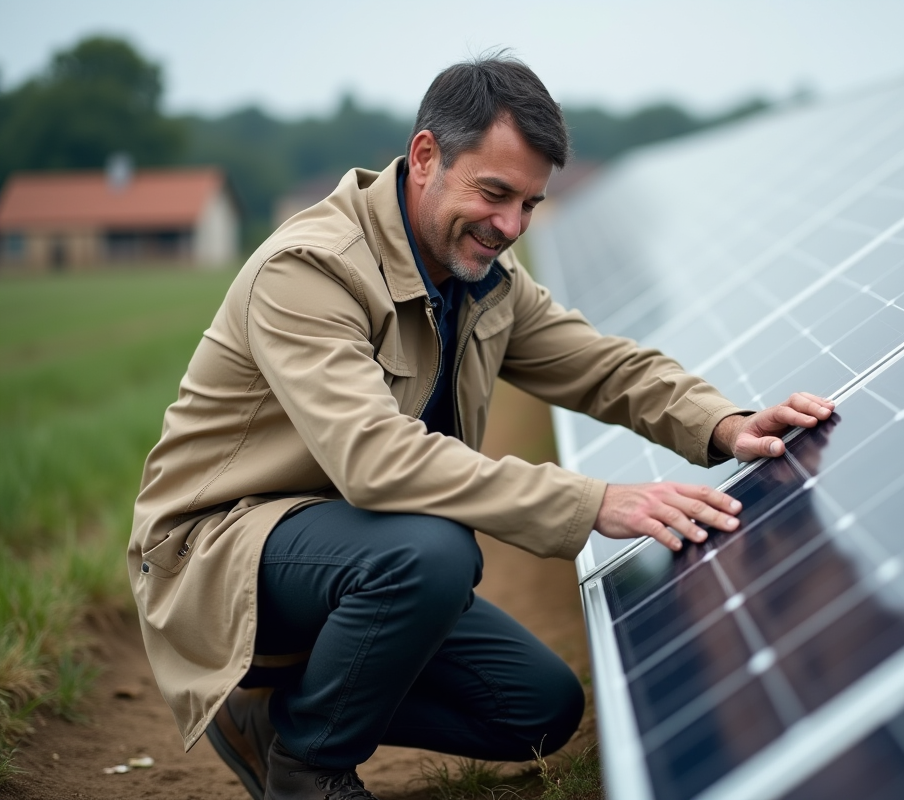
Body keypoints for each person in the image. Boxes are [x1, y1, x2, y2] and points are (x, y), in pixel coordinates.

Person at [128, 54, 834, 800]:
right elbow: (375, 461)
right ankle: (309, 770)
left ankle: (269, 720)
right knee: (432, 553)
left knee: (537, 709)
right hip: (221, 552)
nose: (511, 226)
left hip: (353, 545)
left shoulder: (484, 277)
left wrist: (724, 422)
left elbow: (601, 366)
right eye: (495, 194)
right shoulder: (311, 269)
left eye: (529, 204)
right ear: (425, 156)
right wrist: (593, 503)